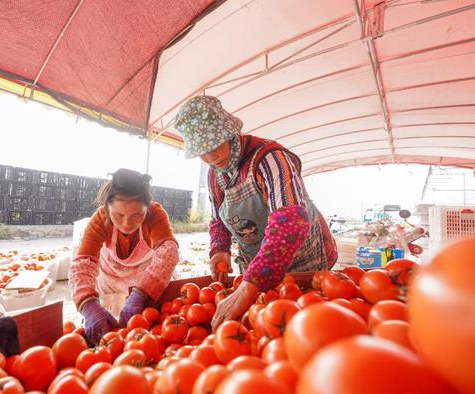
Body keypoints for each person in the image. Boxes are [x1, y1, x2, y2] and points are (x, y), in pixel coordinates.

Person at [175, 95, 338, 328]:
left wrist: (249, 287)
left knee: (308, 325)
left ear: (229, 133)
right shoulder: (214, 175)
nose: (210, 156)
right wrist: (219, 249)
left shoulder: (270, 159)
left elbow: (290, 222)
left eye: (214, 145)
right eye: (202, 151)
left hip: (302, 260)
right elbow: (218, 220)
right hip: (255, 270)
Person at [69, 168, 179, 344]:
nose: (127, 223)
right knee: (108, 330)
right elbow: (82, 263)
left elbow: (168, 252)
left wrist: (142, 293)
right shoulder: (100, 219)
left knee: (144, 332)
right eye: (118, 215)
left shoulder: (155, 214)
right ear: (107, 207)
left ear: (147, 208)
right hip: (111, 277)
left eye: (137, 215)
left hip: (148, 278)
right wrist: (87, 303)